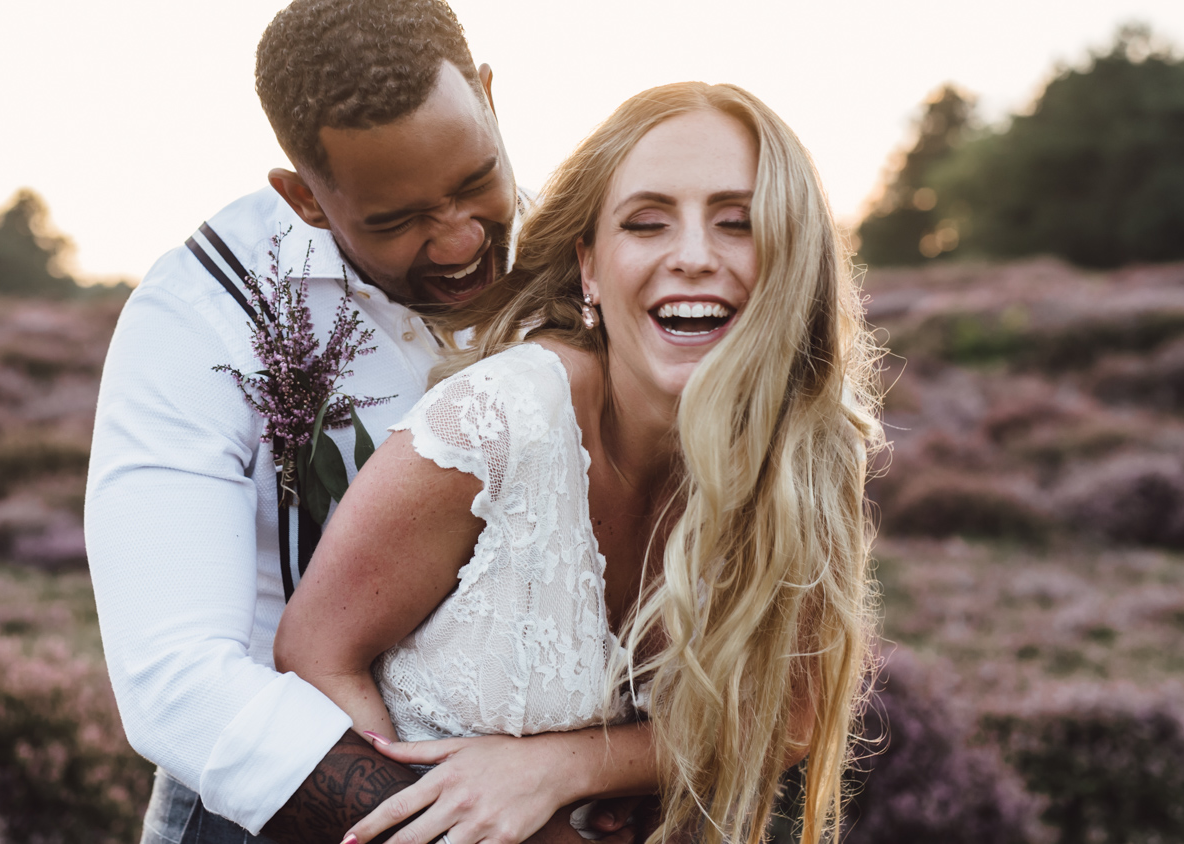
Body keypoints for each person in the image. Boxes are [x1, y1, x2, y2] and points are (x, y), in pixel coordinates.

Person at [274, 81, 886, 844]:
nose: (693, 256)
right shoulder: (495, 425)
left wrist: (567, 766)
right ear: (589, 270)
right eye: (646, 222)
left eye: (739, 222)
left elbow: (791, 715)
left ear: (793, 256)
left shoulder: (808, 446)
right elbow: (312, 657)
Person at [85, 2, 595, 842]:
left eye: (475, 182)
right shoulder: (202, 317)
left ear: (491, 98)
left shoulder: (591, 256)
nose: (462, 240)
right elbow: (177, 682)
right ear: (305, 198)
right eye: (395, 222)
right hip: (289, 804)